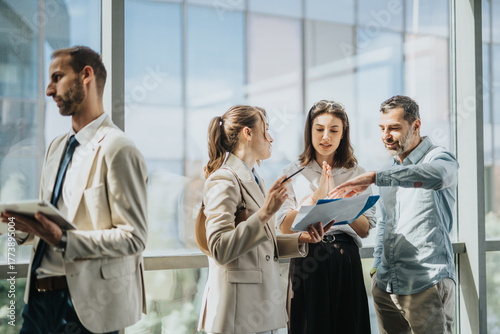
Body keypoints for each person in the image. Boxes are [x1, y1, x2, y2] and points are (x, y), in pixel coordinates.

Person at [0, 46, 148, 334]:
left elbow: (134, 237)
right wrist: (18, 225)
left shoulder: (119, 149)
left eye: (57, 77)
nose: (48, 90)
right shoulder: (56, 147)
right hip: (39, 301)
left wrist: (65, 240)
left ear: (86, 76)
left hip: (86, 308)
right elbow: (48, 223)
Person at [197, 105, 332, 334]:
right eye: (266, 130)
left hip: (255, 310)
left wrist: (301, 239)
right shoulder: (224, 180)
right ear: (247, 133)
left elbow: (260, 244)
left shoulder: (255, 180)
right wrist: (266, 212)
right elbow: (219, 248)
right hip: (236, 314)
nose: (271, 138)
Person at [331, 95, 458, 334]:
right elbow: (385, 224)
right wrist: (377, 270)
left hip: (426, 283)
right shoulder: (390, 169)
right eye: (382, 128)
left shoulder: (439, 158)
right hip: (387, 286)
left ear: (416, 125)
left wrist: (374, 177)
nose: (386, 135)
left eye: (394, 128)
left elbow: (439, 176)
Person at [276, 100, 376, 334]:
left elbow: (365, 228)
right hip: (307, 258)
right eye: (319, 129)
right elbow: (283, 225)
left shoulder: (357, 173)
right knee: (308, 327)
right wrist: (316, 200)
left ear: (343, 135)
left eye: (334, 130)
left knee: (349, 326)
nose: (325, 136)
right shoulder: (292, 172)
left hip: (345, 257)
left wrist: (338, 202)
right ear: (309, 132)